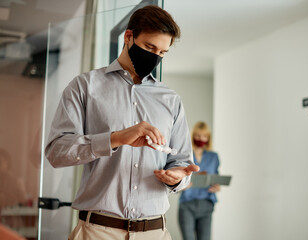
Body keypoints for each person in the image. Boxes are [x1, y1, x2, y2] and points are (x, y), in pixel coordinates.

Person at [45, 5, 199, 240]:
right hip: (97, 232)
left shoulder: (171, 100)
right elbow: (57, 152)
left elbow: (182, 163)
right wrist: (115, 138)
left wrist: (178, 178)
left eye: (162, 52)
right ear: (129, 37)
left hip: (155, 233)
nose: (155, 57)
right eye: (149, 47)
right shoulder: (85, 87)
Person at [178, 121, 221, 240]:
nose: (201, 139)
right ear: (192, 136)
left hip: (206, 204)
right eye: (198, 135)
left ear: (208, 138)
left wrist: (217, 187)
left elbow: (216, 177)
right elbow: (177, 180)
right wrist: (183, 185)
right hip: (187, 204)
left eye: (204, 136)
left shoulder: (213, 157)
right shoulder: (185, 155)